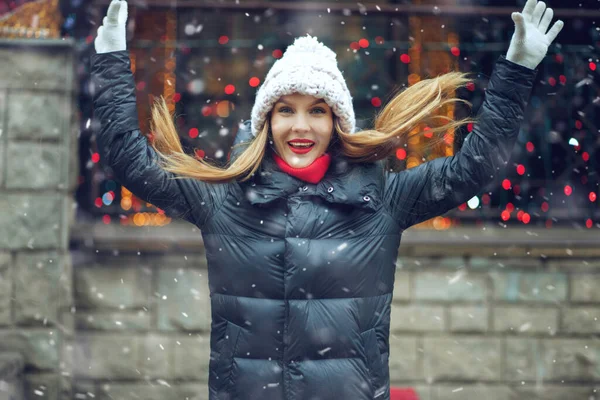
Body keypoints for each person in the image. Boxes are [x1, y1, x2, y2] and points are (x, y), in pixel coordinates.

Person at [91, 1, 563, 399]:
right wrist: (111, 60)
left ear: (338, 122)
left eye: (317, 111)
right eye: (286, 110)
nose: (301, 127)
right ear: (266, 122)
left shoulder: (382, 199)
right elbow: (132, 163)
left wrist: (517, 71)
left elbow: (473, 169)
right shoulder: (225, 201)